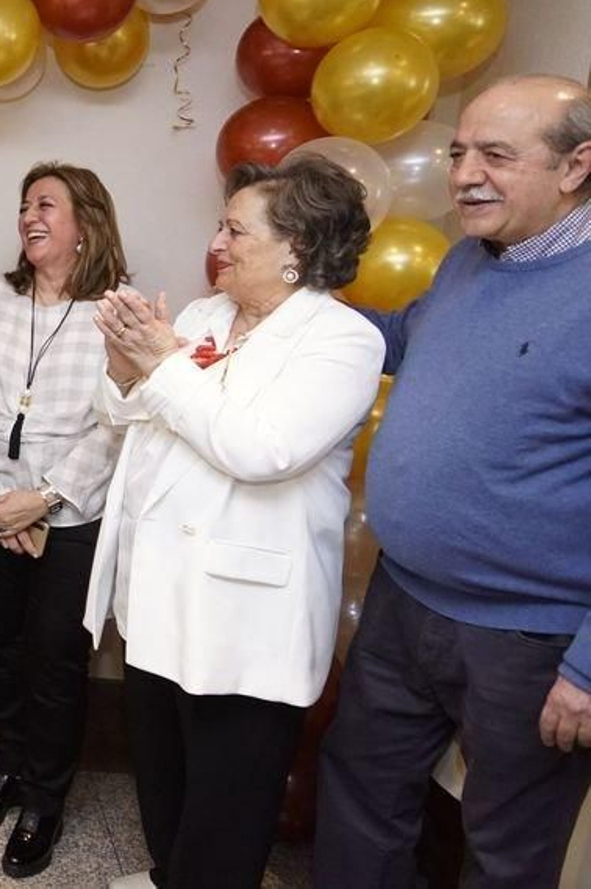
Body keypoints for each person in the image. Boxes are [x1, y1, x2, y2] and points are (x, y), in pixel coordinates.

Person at [315, 75, 591, 887]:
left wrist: (587, 669)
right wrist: (292, 307)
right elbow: (406, 337)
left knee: (507, 849)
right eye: (459, 151)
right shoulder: (472, 259)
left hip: (528, 638)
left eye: (497, 155)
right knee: (361, 785)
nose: (466, 172)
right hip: (406, 602)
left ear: (579, 164)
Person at [87, 156, 384, 888]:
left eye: (235, 228)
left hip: (247, 612)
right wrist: (126, 368)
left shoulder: (344, 341)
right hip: (157, 591)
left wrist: (163, 366)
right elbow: (131, 417)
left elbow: (260, 449)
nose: (217, 240)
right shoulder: (203, 315)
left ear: (298, 248)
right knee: (163, 778)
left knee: (228, 800)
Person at [0, 164, 128, 878]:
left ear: (86, 222)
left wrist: (43, 497)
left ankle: (45, 800)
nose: (29, 216)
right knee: (5, 648)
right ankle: (11, 770)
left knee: (55, 662)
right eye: (24, 204)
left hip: (70, 518)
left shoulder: (116, 312)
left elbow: (115, 429)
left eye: (46, 205)